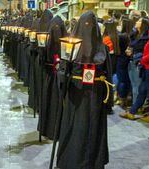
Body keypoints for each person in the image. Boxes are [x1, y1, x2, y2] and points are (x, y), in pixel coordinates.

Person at [55, 11, 112, 169]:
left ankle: (92, 161)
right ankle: (73, 160)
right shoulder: (71, 47)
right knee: (77, 126)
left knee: (91, 128)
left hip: (94, 95)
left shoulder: (102, 49)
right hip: (78, 95)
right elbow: (64, 71)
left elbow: (108, 75)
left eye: (91, 26)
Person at [120, 17, 149, 120]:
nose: (136, 22)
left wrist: (141, 59)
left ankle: (138, 110)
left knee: (140, 88)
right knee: (140, 88)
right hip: (138, 63)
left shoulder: (147, 37)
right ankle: (133, 110)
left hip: (143, 64)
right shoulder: (135, 35)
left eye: (139, 21)